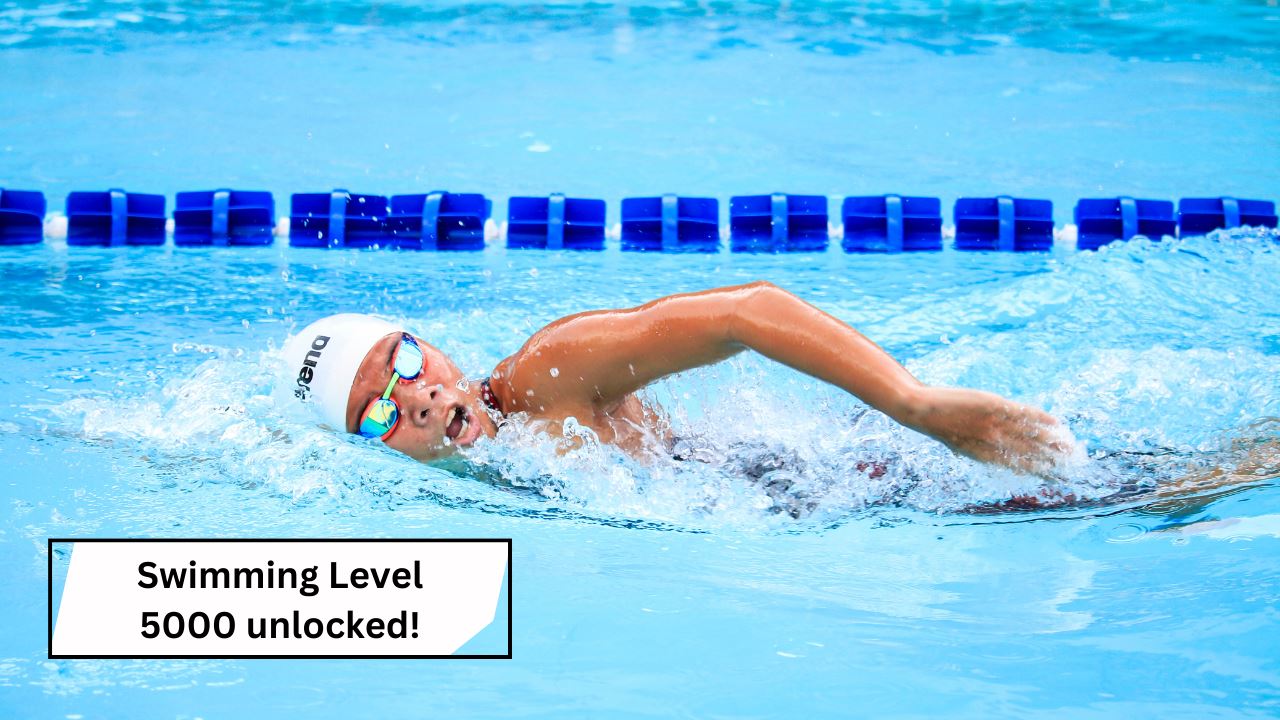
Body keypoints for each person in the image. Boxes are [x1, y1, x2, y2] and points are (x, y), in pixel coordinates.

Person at [282, 281, 1074, 479]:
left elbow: (746, 312)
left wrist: (916, 406)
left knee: (1094, 485)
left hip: (819, 481)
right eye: (378, 412)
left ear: (433, 348)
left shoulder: (548, 374)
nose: (417, 399)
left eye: (407, 363)